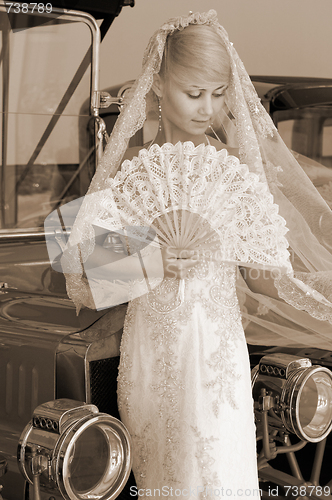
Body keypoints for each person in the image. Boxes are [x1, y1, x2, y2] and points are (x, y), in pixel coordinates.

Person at [60, 9, 332, 498]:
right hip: (149, 355)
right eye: (194, 93)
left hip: (218, 357)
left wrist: (297, 279)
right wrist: (151, 259)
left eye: (219, 93)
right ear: (160, 85)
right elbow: (82, 277)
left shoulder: (233, 166)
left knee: (221, 477)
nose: (209, 108)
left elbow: (261, 273)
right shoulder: (127, 165)